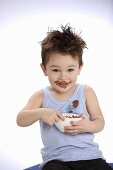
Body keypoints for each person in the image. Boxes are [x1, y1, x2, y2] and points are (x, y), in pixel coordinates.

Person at [16, 24, 112, 170]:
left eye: (70, 70)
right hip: (56, 160)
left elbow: (100, 122)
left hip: (90, 156)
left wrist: (89, 126)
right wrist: (41, 112)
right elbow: (20, 119)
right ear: (44, 69)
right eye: (55, 70)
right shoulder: (41, 96)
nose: (63, 76)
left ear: (80, 68)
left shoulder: (86, 92)